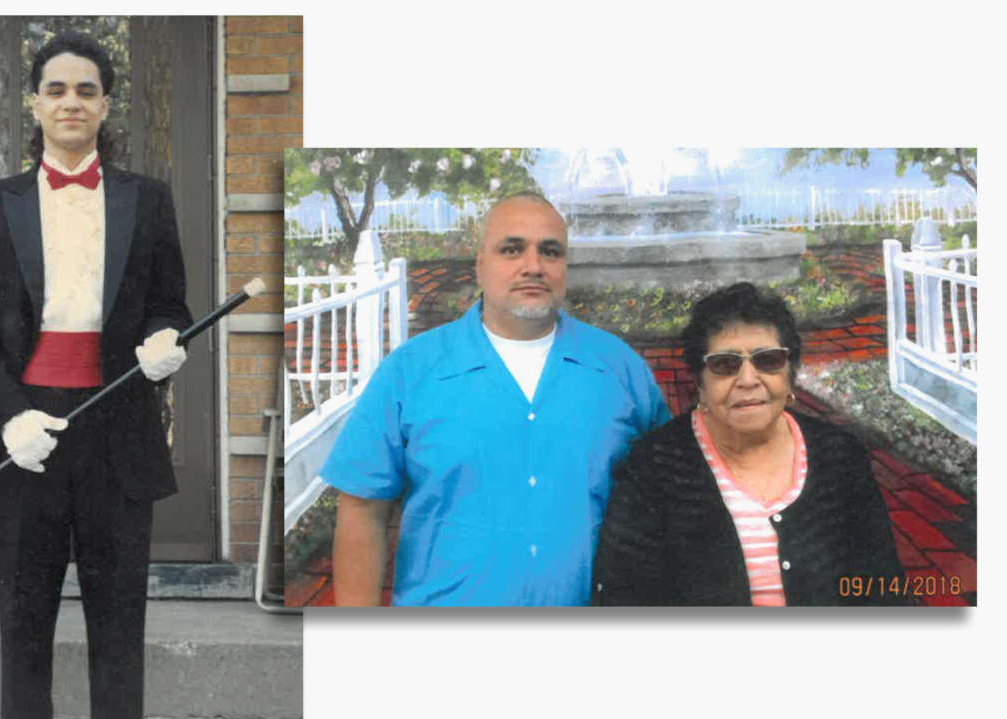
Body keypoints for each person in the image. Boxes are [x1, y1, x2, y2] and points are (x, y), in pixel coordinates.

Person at [0, 31, 192, 719]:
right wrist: (9, 415)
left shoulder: (150, 200)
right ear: (34, 104)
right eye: (56, 89)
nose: (71, 102)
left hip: (119, 421)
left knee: (120, 626)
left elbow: (170, 303)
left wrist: (164, 341)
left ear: (107, 105)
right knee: (24, 624)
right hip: (30, 430)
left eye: (86, 89)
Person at [321, 192, 671, 606]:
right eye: (512, 249)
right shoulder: (410, 372)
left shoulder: (619, 369)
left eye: (550, 251)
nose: (533, 266)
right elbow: (363, 510)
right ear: (480, 265)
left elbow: (666, 494)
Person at [592, 282, 907, 606]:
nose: (747, 379)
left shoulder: (840, 456)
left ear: (790, 373)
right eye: (725, 364)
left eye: (768, 360)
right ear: (700, 382)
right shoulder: (654, 467)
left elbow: (882, 588)